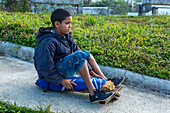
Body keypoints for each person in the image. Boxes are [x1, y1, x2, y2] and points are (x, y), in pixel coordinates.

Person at [34, 8, 124, 103]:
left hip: (62, 68)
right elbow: (44, 68)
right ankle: (93, 94)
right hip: (51, 75)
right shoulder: (47, 43)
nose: (70, 26)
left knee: (85, 53)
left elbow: (79, 52)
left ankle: (105, 80)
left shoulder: (65, 35)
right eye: (67, 23)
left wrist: (92, 73)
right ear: (57, 24)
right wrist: (61, 81)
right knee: (79, 56)